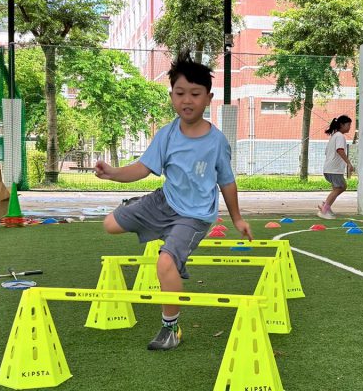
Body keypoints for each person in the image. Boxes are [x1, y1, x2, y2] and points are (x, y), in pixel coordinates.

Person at [94, 52, 252, 351]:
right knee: (110, 225)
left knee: (165, 263)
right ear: (171, 96)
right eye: (180, 93)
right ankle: (147, 214)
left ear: (208, 98)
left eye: (195, 93)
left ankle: (171, 328)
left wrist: (237, 219)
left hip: (194, 216)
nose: (187, 100)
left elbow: (227, 182)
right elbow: (142, 168)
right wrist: (113, 173)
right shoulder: (166, 134)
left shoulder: (217, 141)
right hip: (163, 201)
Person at [317, 115, 354, 219]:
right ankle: (324, 209)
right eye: (348, 125)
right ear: (341, 125)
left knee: (336, 188)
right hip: (334, 170)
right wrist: (348, 163)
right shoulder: (340, 136)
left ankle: (326, 206)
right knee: (341, 187)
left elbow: (327, 152)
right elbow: (340, 150)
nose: (349, 127)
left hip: (329, 169)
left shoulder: (334, 136)